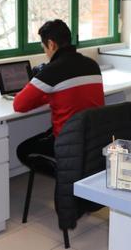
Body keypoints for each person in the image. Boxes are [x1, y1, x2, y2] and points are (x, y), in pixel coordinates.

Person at [13, 19, 104, 170]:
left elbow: (19, 105)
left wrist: (45, 94)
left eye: (45, 48)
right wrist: (51, 95)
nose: (46, 54)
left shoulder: (52, 71)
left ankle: (64, 175)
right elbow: (74, 94)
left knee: (23, 150)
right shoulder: (92, 64)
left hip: (68, 142)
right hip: (94, 138)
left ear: (51, 44)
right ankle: (73, 173)